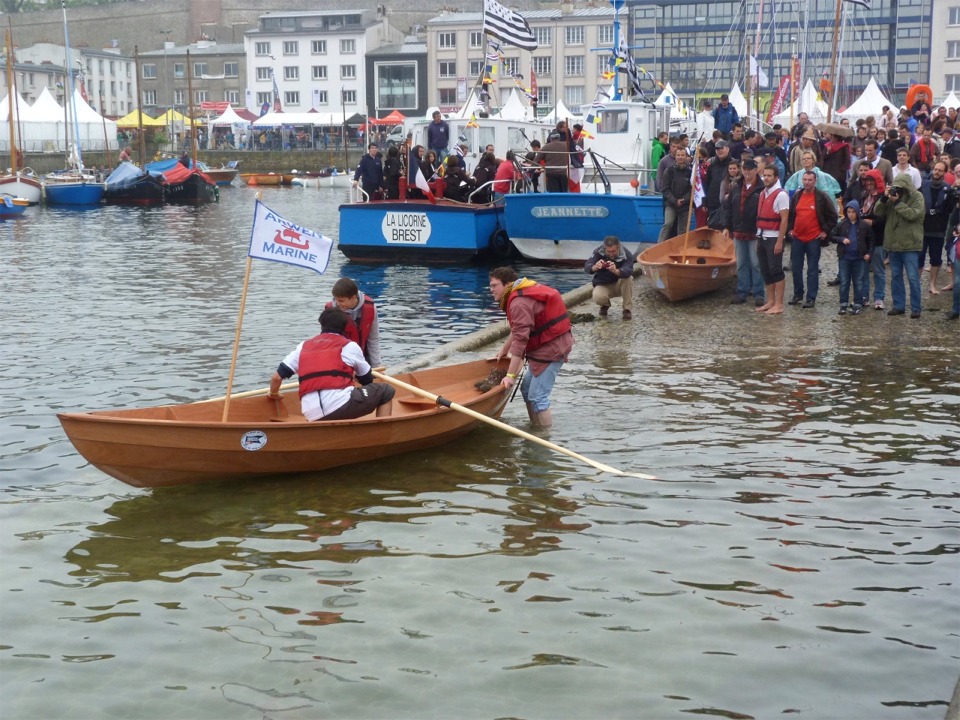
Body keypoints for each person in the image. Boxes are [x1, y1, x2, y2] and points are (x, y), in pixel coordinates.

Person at [267, 307, 395, 421]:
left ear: (321, 325)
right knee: (386, 390)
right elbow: (367, 380)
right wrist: (352, 375)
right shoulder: (349, 346)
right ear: (344, 328)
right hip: (341, 406)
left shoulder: (303, 347)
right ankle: (382, 433)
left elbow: (276, 378)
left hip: (311, 414)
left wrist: (273, 394)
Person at [488, 267, 574, 428]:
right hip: (548, 345)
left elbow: (520, 340)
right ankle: (535, 426)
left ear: (507, 284)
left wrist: (511, 375)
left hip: (553, 349)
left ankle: (543, 437)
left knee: (538, 396)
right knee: (527, 390)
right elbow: (518, 329)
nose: (491, 290)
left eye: (494, 285)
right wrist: (504, 350)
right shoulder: (517, 294)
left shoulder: (518, 303)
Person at [874, 174, 926, 318]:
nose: (898, 190)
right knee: (896, 276)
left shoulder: (917, 197)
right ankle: (898, 305)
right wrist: (884, 199)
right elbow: (877, 212)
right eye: (896, 187)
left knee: (913, 277)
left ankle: (916, 307)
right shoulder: (891, 197)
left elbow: (913, 215)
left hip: (910, 244)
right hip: (893, 244)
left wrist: (898, 203)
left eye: (901, 188)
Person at [786, 170, 838, 308]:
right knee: (796, 268)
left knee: (812, 269)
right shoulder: (797, 195)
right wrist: (790, 230)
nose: (807, 182)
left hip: (813, 239)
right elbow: (791, 215)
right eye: (805, 179)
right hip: (797, 237)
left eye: (810, 180)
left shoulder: (821, 196)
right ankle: (798, 294)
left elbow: (833, 216)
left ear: (815, 181)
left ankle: (811, 297)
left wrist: (824, 231)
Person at [720, 157, 765, 306]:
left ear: (755, 170)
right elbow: (728, 209)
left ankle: (759, 293)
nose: (747, 172)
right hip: (738, 231)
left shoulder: (762, 187)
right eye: (745, 169)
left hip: (754, 232)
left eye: (750, 170)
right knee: (741, 264)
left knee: (755, 263)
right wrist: (727, 227)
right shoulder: (736, 187)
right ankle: (742, 291)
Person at [755, 165, 790, 315]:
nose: (766, 178)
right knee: (765, 269)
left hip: (774, 236)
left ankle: (779, 303)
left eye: (769, 176)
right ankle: (770, 300)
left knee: (776, 269)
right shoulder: (763, 193)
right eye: (764, 175)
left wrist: (779, 241)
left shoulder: (781, 195)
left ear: (776, 178)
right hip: (762, 235)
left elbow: (784, 220)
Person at [919, 161, 957, 295]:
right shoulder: (924, 185)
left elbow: (950, 209)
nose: (936, 172)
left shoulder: (948, 189)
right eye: (935, 169)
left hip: (938, 229)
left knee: (935, 259)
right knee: (919, 258)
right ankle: (916, 285)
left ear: (945, 172)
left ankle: (932, 285)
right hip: (922, 228)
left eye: (940, 170)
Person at [830, 200, 874, 315]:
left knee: (858, 282)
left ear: (857, 212)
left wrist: (869, 253)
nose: (851, 214)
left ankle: (858, 304)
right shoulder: (842, 224)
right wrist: (842, 239)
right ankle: (843, 303)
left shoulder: (864, 225)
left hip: (859, 258)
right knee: (844, 281)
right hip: (845, 257)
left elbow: (871, 240)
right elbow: (832, 235)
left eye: (853, 212)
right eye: (849, 212)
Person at [325, 277, 382, 366]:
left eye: (341, 301)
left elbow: (373, 339)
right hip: (341, 358)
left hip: (363, 356)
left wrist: (377, 365)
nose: (337, 304)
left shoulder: (370, 308)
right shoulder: (330, 311)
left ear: (353, 298)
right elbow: (328, 342)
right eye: (336, 300)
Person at [584, 235, 635, 320]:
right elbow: (587, 265)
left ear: (618, 247)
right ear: (605, 248)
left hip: (620, 284)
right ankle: (605, 305)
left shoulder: (627, 254)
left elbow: (629, 270)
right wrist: (595, 267)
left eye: (613, 251)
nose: (611, 254)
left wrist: (616, 271)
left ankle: (627, 309)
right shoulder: (598, 252)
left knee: (629, 279)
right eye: (608, 251)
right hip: (603, 283)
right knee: (597, 297)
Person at [860, 169, 889, 309]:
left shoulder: (883, 197)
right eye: (867, 181)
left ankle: (879, 297)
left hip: (878, 238)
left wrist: (873, 223)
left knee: (878, 269)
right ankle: (864, 296)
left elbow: (886, 218)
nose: (869, 183)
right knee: (863, 270)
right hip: (864, 239)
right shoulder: (864, 195)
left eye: (872, 180)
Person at [659, 149, 692, 242]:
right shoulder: (669, 171)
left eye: (682, 155)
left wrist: (684, 200)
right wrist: (674, 200)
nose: (680, 157)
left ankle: (680, 248)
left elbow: (692, 189)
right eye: (678, 155)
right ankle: (659, 245)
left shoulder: (690, 172)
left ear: (686, 157)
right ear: (675, 156)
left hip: (685, 205)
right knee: (668, 224)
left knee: (683, 230)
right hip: (671, 204)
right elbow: (664, 188)